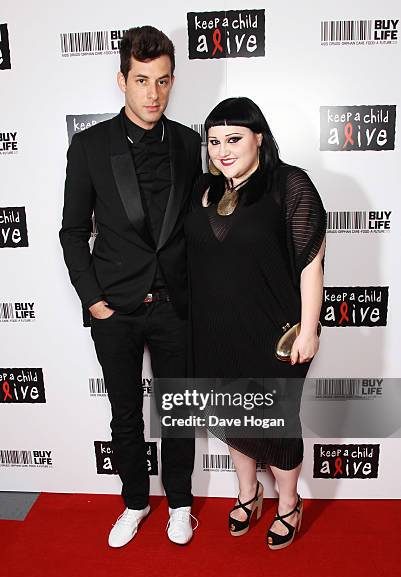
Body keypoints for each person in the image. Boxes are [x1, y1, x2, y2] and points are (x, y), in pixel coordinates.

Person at [60, 26, 202, 547]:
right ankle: (136, 502)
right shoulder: (91, 146)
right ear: (122, 79)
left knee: (178, 408)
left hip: (174, 305)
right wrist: (93, 300)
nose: (154, 94)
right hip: (115, 307)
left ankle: (181, 502)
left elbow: (199, 227)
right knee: (124, 410)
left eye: (163, 81)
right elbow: (73, 231)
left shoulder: (190, 143)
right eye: (142, 81)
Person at [185, 97, 326, 549]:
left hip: (274, 333)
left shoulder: (289, 184)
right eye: (214, 141)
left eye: (234, 138)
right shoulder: (203, 190)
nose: (222, 150)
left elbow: (311, 263)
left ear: (258, 137)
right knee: (231, 414)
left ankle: (288, 502)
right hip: (214, 330)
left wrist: (309, 328)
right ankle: (247, 493)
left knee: (277, 422)